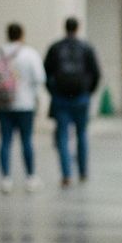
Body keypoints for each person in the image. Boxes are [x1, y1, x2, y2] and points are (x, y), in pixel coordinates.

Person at [0, 22, 45, 193]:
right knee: (26, 140)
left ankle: (6, 178)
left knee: (5, 141)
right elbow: (40, 78)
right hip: (25, 104)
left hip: (4, 104)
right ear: (22, 35)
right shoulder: (30, 54)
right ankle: (30, 177)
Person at [44, 17, 101, 187]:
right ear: (78, 28)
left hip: (61, 97)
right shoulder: (86, 48)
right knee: (82, 134)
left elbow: (46, 73)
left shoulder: (55, 48)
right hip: (81, 97)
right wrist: (88, 91)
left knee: (62, 136)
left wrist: (53, 91)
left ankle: (66, 174)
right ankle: (83, 171)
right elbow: (96, 73)